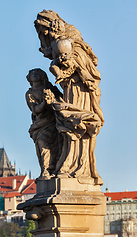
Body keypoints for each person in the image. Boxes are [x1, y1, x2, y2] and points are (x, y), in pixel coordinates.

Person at [34, 10, 104, 185]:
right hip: (70, 89)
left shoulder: (73, 42)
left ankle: (77, 166)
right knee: (65, 123)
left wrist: (64, 67)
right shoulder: (62, 43)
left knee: (73, 123)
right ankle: (67, 163)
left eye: (44, 32)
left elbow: (84, 65)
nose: (44, 36)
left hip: (81, 91)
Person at [25, 68, 62, 180]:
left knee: (57, 146)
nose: (34, 75)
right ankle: (46, 169)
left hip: (54, 121)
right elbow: (35, 109)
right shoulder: (30, 94)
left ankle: (54, 169)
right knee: (42, 143)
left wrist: (52, 101)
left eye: (37, 73)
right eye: (32, 73)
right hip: (41, 124)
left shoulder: (51, 89)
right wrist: (44, 102)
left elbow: (62, 101)